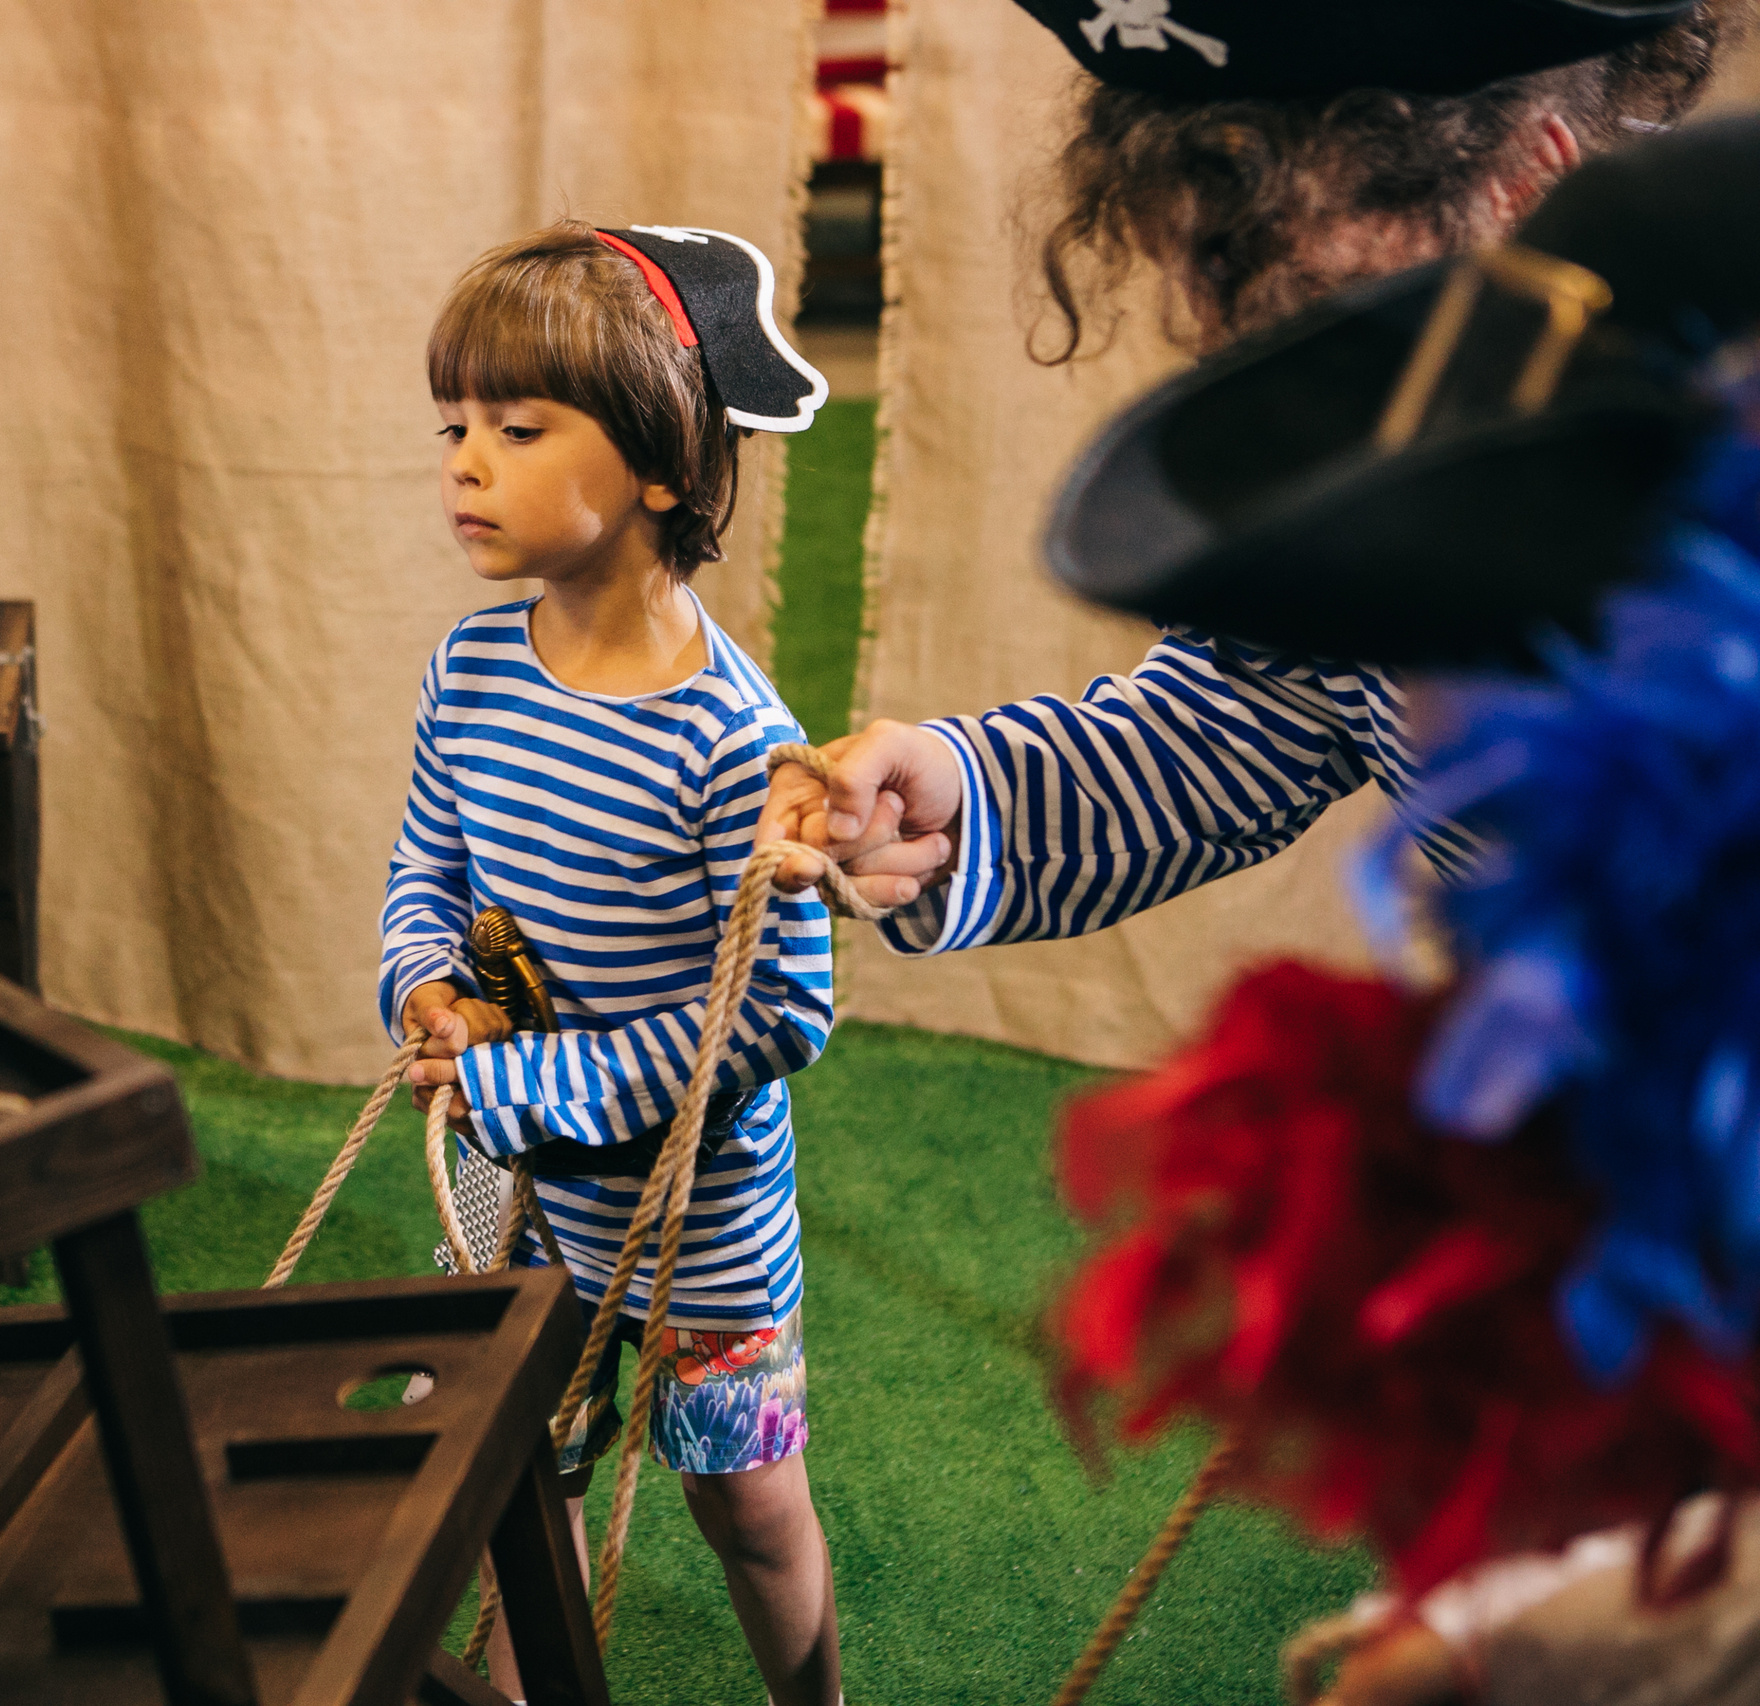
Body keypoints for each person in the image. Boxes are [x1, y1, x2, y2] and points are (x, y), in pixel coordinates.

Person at [759, 0, 1750, 940]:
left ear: (1529, 183)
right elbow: (1252, 713)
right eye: (1214, 285)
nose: (1253, 345)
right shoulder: (1401, 416)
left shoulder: (1722, 444)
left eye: (1316, 296)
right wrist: (967, 803)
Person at [382, 221, 839, 1704]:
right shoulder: (469, 667)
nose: (465, 463)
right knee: (524, 1478)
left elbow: (779, 1011)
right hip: (518, 1185)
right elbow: (426, 867)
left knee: (745, 1502)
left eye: (516, 430)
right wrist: (424, 984)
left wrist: (522, 1078)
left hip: (698, 1211)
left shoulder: (732, 737)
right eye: (454, 427)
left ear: (663, 464)